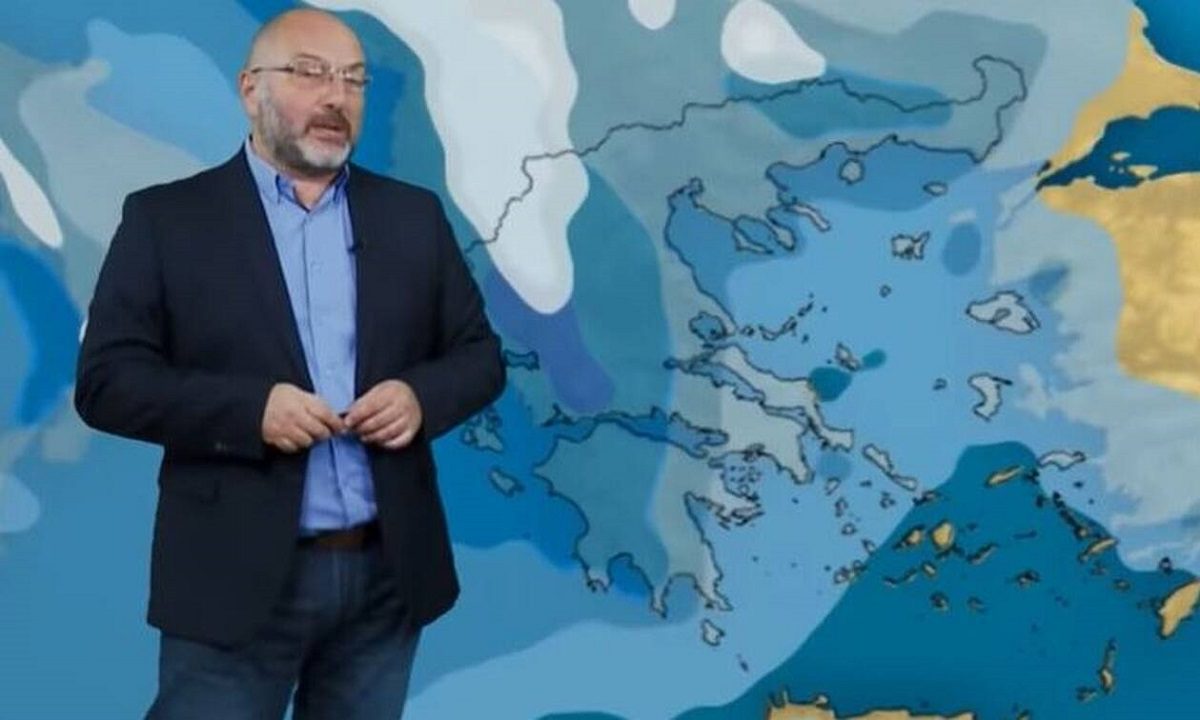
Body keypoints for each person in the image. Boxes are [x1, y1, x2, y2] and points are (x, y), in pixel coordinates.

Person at [74, 8, 505, 718]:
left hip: (387, 578)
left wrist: (419, 397)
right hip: (232, 577)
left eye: (354, 80)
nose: (336, 97)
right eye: (310, 74)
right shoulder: (166, 221)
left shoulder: (413, 217)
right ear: (251, 89)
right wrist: (251, 413)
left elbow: (478, 356)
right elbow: (107, 383)